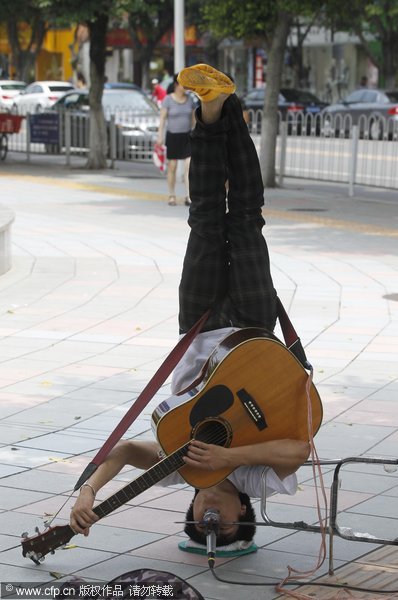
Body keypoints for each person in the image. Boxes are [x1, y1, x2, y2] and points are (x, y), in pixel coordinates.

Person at [70, 64, 310, 549]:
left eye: (201, 524)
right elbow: (298, 449)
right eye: (222, 527)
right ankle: (227, 110)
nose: (210, 518)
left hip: (198, 327)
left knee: (203, 220)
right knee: (244, 221)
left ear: (190, 509)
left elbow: (124, 449)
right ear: (243, 512)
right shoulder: (256, 480)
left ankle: (211, 110)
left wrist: (88, 489)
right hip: (252, 333)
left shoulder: (177, 464)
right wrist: (232, 459)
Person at [157, 74, 196, 206]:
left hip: (187, 136)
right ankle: (172, 194)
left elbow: (193, 119)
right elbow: (162, 119)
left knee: (188, 165)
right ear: (176, 85)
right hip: (173, 136)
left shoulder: (190, 99)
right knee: (172, 166)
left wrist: (196, 132)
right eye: (183, 84)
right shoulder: (168, 99)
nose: (185, 87)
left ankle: (189, 195)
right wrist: (160, 135)